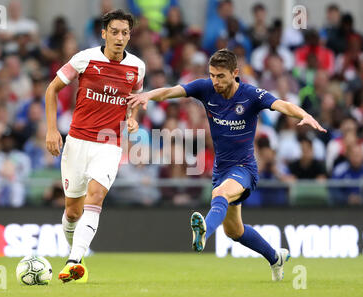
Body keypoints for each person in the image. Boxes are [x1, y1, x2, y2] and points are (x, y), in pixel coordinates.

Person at [127, 48, 326, 281]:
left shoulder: (251, 95)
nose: (215, 81)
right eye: (212, 75)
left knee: (220, 194)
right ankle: (275, 257)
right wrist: (148, 95)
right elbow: (172, 91)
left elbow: (281, 104)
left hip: (244, 169)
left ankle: (203, 234)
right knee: (234, 231)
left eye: (220, 76)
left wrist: (303, 114)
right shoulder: (205, 88)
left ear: (235, 73)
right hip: (221, 170)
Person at [45, 9, 145, 283]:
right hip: (76, 142)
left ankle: (73, 261)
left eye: (125, 32)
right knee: (72, 212)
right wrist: (52, 129)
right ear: (104, 33)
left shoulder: (137, 67)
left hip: (108, 143)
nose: (120, 37)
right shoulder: (84, 59)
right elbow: (51, 89)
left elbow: (133, 98)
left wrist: (132, 118)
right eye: (114, 32)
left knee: (96, 196)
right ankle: (75, 250)